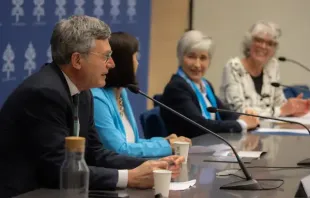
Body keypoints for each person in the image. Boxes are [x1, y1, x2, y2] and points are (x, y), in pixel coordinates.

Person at [0, 16, 183, 198]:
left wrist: (154, 163)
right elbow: (57, 169)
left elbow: (95, 153)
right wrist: (130, 177)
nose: (111, 64)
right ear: (77, 60)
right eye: (106, 57)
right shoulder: (44, 94)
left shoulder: (83, 91)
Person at [91, 32, 191, 158]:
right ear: (123, 63)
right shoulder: (97, 99)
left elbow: (134, 142)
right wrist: (166, 146)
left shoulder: (121, 94)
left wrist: (164, 142)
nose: (137, 63)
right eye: (135, 57)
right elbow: (120, 149)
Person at [160, 30, 259, 138]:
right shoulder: (176, 88)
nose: (197, 64)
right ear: (180, 57)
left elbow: (225, 113)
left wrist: (246, 117)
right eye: (191, 57)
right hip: (189, 151)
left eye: (203, 58)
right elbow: (200, 126)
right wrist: (242, 124)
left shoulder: (205, 85)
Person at [220, 21, 309, 117]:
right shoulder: (233, 67)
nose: (263, 46)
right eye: (259, 40)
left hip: (269, 129)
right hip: (238, 130)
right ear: (249, 42)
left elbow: (279, 104)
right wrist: (282, 111)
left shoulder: (272, 66)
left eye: (270, 43)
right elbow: (238, 111)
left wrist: (294, 109)